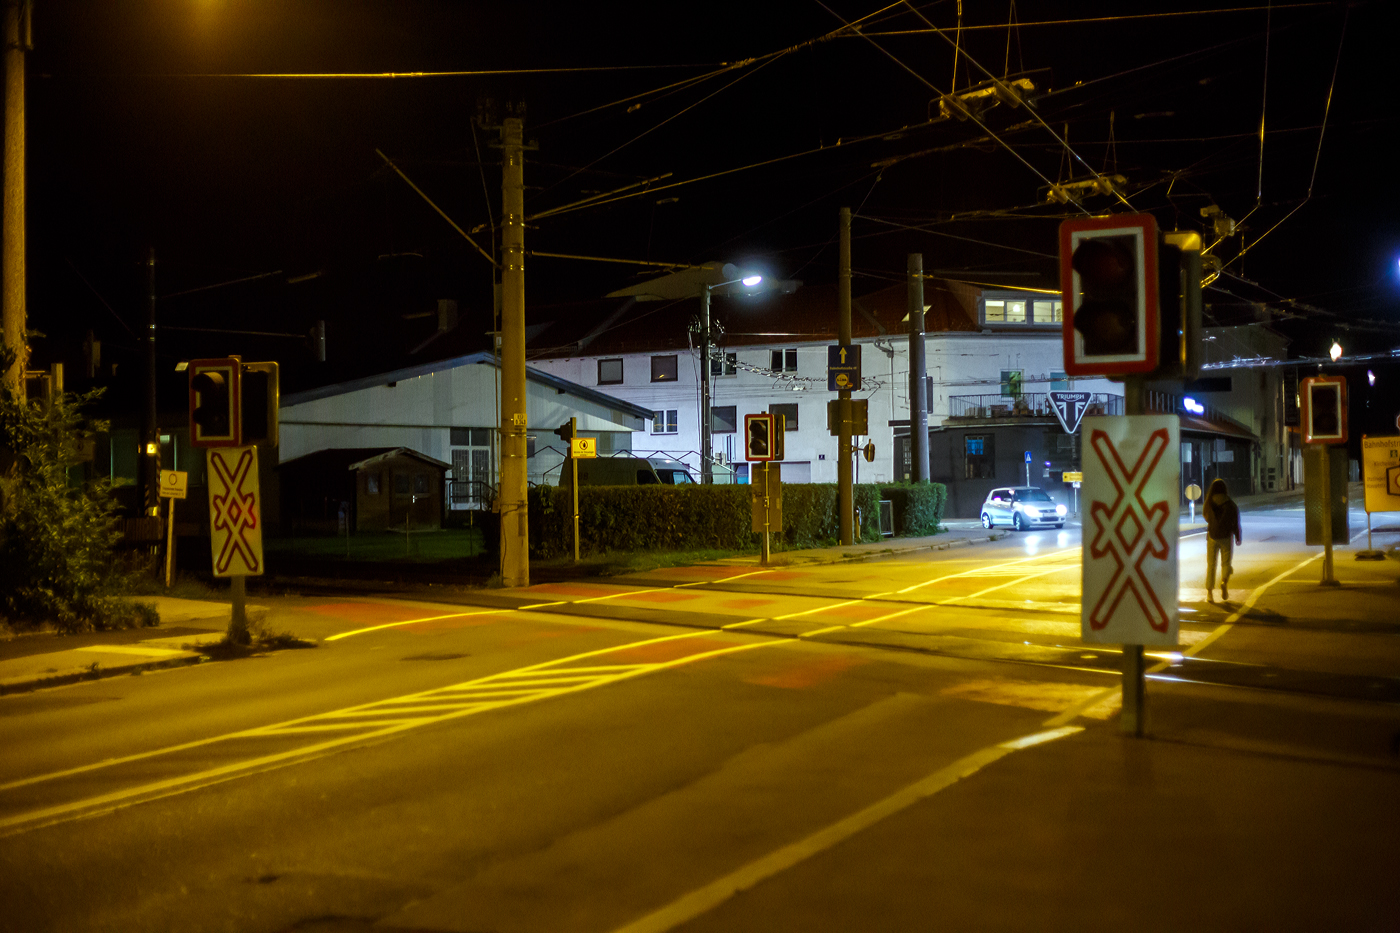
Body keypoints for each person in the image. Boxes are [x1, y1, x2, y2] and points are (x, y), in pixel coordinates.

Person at [1202, 478, 1242, 602]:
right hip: (1226, 536)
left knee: (1211, 565)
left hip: (1212, 536)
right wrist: (1237, 535)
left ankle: (1209, 593)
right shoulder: (1230, 504)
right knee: (1226, 564)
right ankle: (1224, 582)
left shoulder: (1209, 502)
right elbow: (1235, 521)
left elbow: (1206, 517)